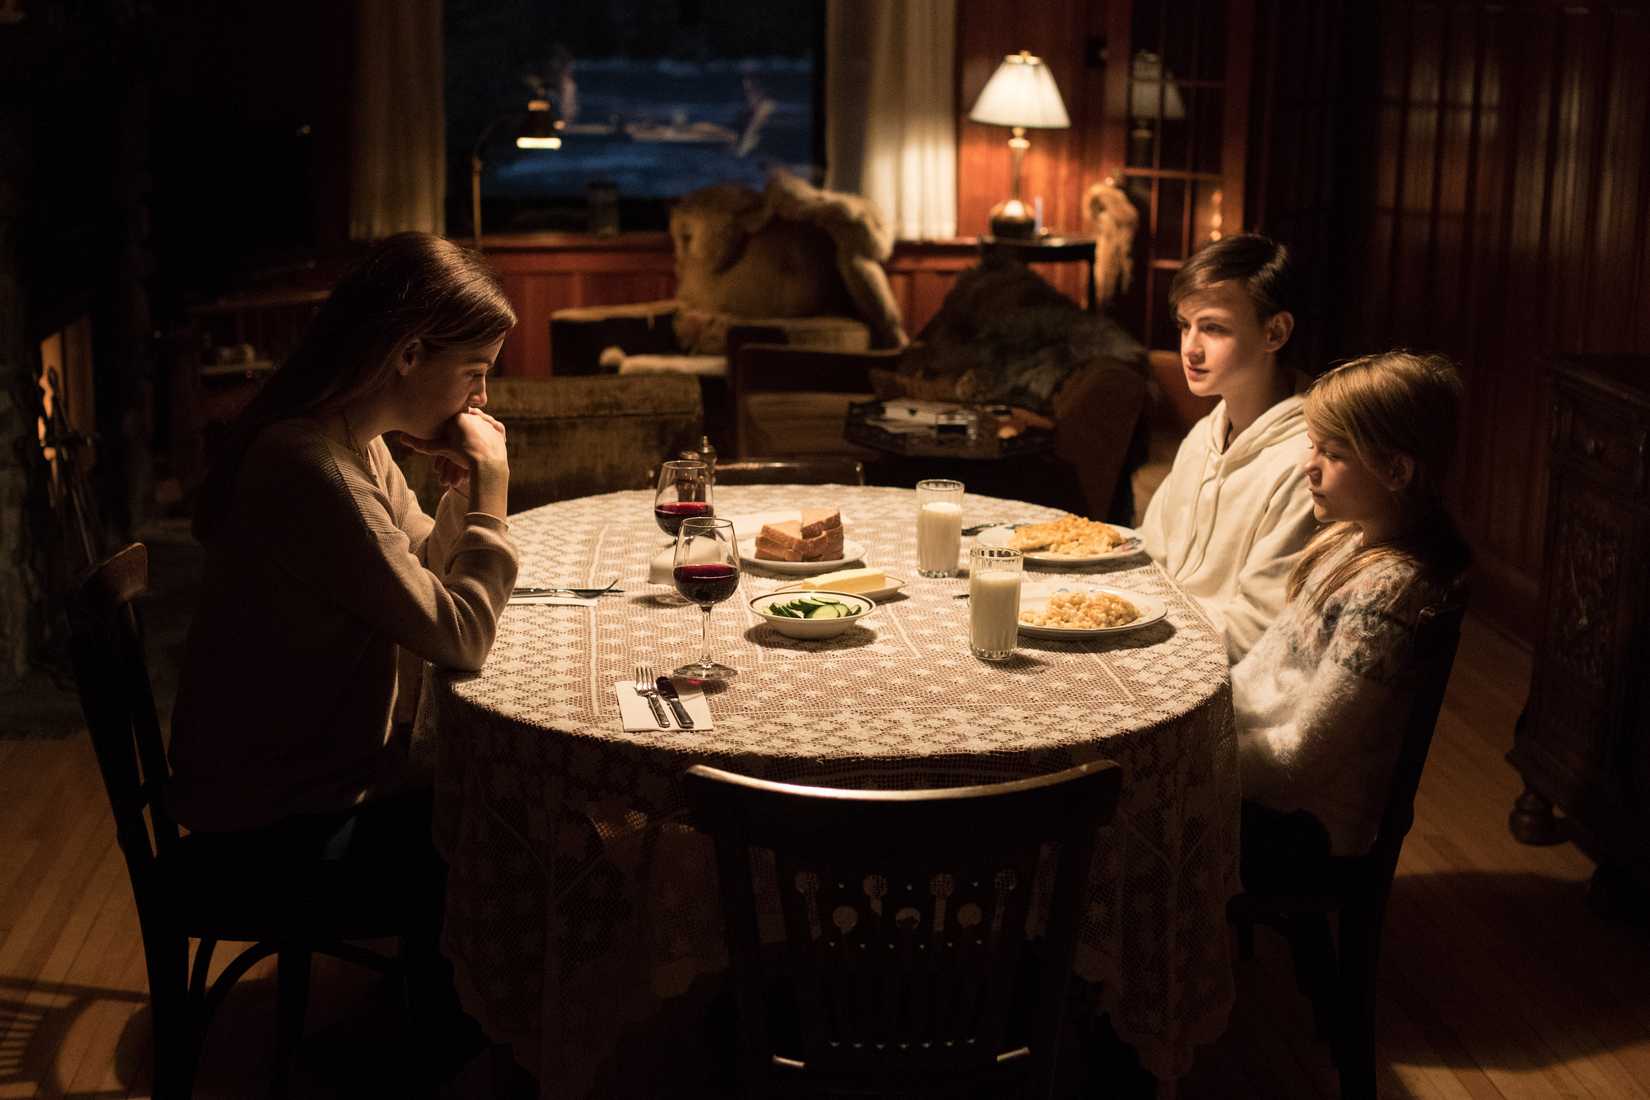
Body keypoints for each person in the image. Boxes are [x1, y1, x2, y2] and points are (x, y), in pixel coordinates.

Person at [167, 232, 519, 1081]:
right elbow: (460, 635)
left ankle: (448, 1026)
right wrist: (497, 499)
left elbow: (420, 577)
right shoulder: (309, 469)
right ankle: (447, 1053)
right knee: (510, 828)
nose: (481, 396)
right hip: (273, 826)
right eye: (475, 371)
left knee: (496, 792)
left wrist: (461, 492)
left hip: (299, 780)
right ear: (407, 354)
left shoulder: (350, 441)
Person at [1233, 351, 1471, 875]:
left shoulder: (1389, 593)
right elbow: (1259, 671)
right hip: (1263, 778)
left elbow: (1298, 763)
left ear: (1396, 469)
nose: (1307, 465)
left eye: (1333, 453)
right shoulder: (1345, 541)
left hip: (1307, 823)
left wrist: (1193, 757)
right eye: (1311, 445)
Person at [1138, 233, 1318, 661]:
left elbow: (1258, 630)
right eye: (1185, 325)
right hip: (1154, 649)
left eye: (1213, 328)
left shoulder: (1306, 461)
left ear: (1275, 332)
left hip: (1217, 681)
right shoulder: (1204, 435)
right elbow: (1148, 560)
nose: (1190, 348)